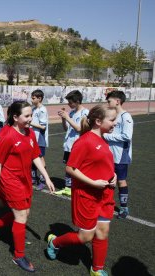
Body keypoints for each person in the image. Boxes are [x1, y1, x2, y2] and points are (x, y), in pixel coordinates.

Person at [47, 104, 117, 276]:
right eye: (112, 120)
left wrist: (113, 174)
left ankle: (96, 269)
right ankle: (55, 243)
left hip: (105, 193)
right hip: (87, 195)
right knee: (85, 237)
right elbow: (70, 169)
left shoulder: (104, 138)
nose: (115, 123)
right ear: (99, 121)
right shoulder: (84, 141)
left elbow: (102, 163)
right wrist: (93, 183)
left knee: (103, 232)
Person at [0, 101, 54, 272]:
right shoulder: (8, 136)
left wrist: (46, 177)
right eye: (27, 116)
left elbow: (35, 156)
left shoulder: (30, 132)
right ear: (15, 117)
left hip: (25, 180)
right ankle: (19, 255)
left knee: (25, 214)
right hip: (10, 180)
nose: (31, 119)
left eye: (31, 115)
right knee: (21, 217)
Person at [104, 90, 133, 219]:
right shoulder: (112, 115)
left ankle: (124, 208)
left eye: (109, 101)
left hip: (121, 155)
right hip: (109, 154)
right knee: (109, 179)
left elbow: (127, 136)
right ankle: (106, 203)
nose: (107, 103)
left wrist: (107, 136)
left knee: (121, 180)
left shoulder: (126, 116)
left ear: (117, 101)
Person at [55, 90, 89, 196]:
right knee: (68, 167)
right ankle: (68, 188)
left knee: (78, 168)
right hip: (69, 145)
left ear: (77, 101)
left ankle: (80, 187)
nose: (69, 105)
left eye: (70, 102)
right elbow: (66, 129)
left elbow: (80, 128)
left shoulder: (85, 113)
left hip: (78, 145)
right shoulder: (72, 112)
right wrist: (63, 119)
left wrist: (67, 118)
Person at [30, 89, 49, 191]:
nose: (31, 100)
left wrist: (29, 123)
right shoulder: (34, 109)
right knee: (32, 158)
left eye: (33, 98)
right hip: (33, 137)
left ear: (39, 98)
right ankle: (33, 178)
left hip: (40, 138)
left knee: (40, 159)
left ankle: (43, 180)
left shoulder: (42, 110)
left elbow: (43, 127)